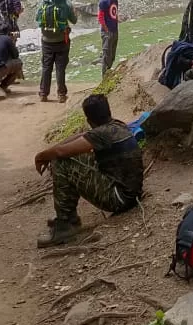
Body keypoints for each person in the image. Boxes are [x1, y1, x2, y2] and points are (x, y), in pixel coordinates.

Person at [34, 93, 144, 247]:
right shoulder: (117, 126)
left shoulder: (101, 134)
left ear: (88, 119)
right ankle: (69, 217)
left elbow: (61, 152)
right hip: (131, 194)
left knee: (62, 161)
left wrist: (40, 156)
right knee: (75, 156)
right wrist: (52, 150)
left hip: (119, 198)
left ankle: (65, 224)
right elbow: (79, 138)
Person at [36, 0, 77, 103]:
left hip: (46, 40)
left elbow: (37, 18)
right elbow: (74, 20)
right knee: (60, 68)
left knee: (46, 67)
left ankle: (43, 93)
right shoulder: (66, 3)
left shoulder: (44, 2)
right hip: (61, 40)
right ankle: (61, 94)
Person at [98, 0, 119, 77]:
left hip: (115, 30)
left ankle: (108, 74)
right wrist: (105, 28)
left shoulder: (115, 1)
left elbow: (114, 14)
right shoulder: (103, 2)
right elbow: (100, 16)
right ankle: (104, 77)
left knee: (112, 54)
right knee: (106, 54)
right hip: (107, 32)